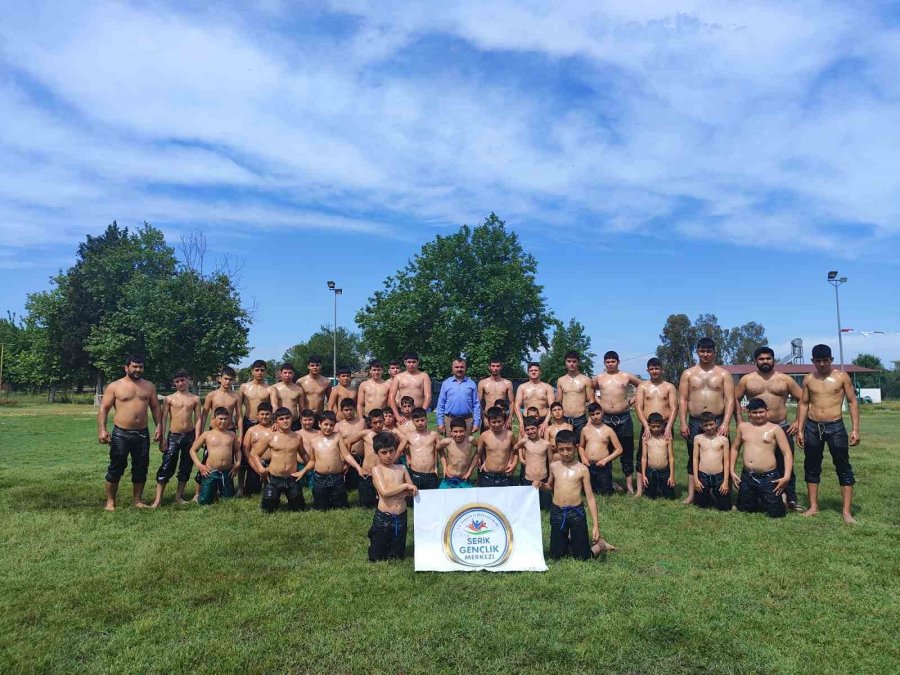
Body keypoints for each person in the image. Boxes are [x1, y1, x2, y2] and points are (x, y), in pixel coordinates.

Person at [796, 344, 860, 523]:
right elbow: (803, 404)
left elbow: (853, 401)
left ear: (831, 360)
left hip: (835, 426)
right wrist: (800, 429)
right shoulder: (809, 379)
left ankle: (846, 512)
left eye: (825, 360)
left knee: (843, 467)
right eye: (818, 361)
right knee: (811, 466)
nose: (822, 364)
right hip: (813, 426)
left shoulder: (841, 377)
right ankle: (813, 507)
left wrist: (855, 429)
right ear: (812, 361)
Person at [734, 347, 804, 511]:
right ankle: (754, 494)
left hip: (781, 426)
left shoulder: (785, 379)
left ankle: (790, 499)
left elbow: (803, 399)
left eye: (768, 358)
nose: (765, 361)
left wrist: (797, 422)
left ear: (774, 359)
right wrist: (739, 420)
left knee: (785, 463)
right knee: (755, 461)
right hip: (755, 428)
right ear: (755, 361)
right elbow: (734, 399)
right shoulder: (747, 380)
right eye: (761, 359)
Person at [534, 429, 614, 560]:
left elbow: (590, 498)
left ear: (576, 448)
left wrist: (596, 525)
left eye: (569, 449)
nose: (565, 453)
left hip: (577, 513)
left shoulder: (582, 469)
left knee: (583, 557)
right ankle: (568, 539)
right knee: (557, 556)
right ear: (557, 448)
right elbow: (549, 487)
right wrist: (541, 485)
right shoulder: (554, 466)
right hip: (557, 512)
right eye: (561, 449)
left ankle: (600, 545)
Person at [97, 354, 162, 510]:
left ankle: (137, 500)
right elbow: (104, 408)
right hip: (121, 434)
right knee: (116, 467)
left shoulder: (149, 386)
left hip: (142, 434)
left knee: (141, 467)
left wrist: (159, 426)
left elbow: (154, 407)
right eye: (134, 366)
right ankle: (110, 502)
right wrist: (102, 429)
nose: (138, 369)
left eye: (140, 367)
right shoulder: (115, 386)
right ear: (126, 368)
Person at [679, 338, 735, 504]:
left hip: (717, 420)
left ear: (714, 352)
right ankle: (692, 494)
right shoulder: (688, 374)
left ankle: (725, 496)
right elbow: (682, 399)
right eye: (702, 351)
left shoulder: (723, 374)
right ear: (697, 352)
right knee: (694, 457)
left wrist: (725, 423)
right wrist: (682, 422)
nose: (705, 354)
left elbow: (730, 399)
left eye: (709, 351)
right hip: (695, 420)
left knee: (722, 456)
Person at [730, 398, 792, 518]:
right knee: (745, 509)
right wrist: (732, 471)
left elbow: (787, 453)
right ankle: (753, 497)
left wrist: (787, 476)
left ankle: (782, 498)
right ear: (749, 413)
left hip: (769, 477)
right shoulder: (743, 427)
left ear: (767, 411)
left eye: (761, 412)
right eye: (754, 412)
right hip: (748, 476)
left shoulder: (775, 429)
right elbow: (735, 449)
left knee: (776, 513)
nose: (758, 415)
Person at [593, 351, 642, 494]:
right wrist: (598, 402)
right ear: (604, 363)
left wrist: (631, 401)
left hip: (624, 418)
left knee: (626, 452)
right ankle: (608, 482)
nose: (610, 364)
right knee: (605, 451)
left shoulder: (625, 376)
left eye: (613, 361)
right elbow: (590, 389)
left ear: (618, 362)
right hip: (606, 418)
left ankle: (629, 487)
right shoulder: (600, 378)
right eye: (607, 362)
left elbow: (642, 385)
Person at [151, 369, 200, 507]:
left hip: (189, 436)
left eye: (182, 380)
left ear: (187, 380)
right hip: (173, 436)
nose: (180, 383)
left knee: (186, 466)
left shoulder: (195, 399)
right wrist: (163, 437)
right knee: (166, 466)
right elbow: (164, 417)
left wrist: (197, 438)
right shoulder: (169, 399)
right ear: (174, 383)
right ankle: (158, 500)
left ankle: (179, 497)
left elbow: (198, 419)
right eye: (177, 381)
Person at [369, 432, 417, 562]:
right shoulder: (377, 470)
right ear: (377, 453)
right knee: (376, 556)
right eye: (384, 453)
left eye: (391, 451)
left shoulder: (401, 468)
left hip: (401, 515)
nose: (388, 455)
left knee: (397, 555)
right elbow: (385, 492)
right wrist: (404, 486)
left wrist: (409, 489)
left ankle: (395, 552)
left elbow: (412, 490)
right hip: (384, 516)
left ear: (396, 450)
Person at [634, 357, 677, 497]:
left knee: (664, 454)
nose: (654, 371)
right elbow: (638, 407)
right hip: (648, 425)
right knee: (643, 455)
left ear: (662, 369)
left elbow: (674, 408)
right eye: (651, 369)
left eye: (657, 368)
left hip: (664, 425)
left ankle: (666, 482)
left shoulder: (669, 387)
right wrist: (645, 426)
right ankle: (641, 490)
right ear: (648, 370)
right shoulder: (643, 386)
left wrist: (669, 426)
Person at [252, 407, 308, 513]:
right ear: (276, 421)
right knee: (268, 508)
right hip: (274, 478)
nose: (285, 421)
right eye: (281, 419)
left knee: (298, 508)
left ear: (292, 418)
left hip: (292, 477)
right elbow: (255, 454)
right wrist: (261, 468)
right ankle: (273, 498)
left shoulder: (297, 437)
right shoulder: (271, 437)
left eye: (287, 418)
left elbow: (303, 453)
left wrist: (309, 466)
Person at [307, 411, 362, 510]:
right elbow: (312, 461)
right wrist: (302, 472)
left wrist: (359, 468)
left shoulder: (337, 437)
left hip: (337, 477)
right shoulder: (313, 441)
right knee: (320, 507)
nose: (328, 427)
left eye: (331, 425)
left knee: (341, 506)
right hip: (320, 478)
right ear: (319, 424)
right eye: (326, 424)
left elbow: (346, 455)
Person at [188, 407, 240, 505]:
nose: (223, 421)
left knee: (228, 500)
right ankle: (208, 492)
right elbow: (192, 450)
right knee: (204, 501)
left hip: (227, 472)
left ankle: (221, 491)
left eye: (225, 419)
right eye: (220, 418)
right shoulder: (207, 434)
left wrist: (238, 463)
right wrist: (199, 465)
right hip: (211, 472)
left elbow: (237, 451)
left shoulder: (232, 434)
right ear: (214, 419)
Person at [239, 360, 273, 495]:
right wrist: (239, 426)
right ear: (252, 371)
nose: (259, 373)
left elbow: (274, 406)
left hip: (265, 423)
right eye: (257, 370)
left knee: (266, 453)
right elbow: (238, 407)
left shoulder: (270, 389)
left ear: (265, 372)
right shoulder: (244, 387)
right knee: (244, 455)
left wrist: (274, 421)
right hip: (248, 422)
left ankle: (267, 482)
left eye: (262, 370)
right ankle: (241, 487)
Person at [344, 409, 388, 507]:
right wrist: (348, 458)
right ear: (370, 423)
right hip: (367, 472)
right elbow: (348, 442)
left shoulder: (388, 434)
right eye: (375, 422)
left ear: (384, 420)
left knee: (384, 501)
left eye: (380, 421)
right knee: (366, 504)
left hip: (383, 472)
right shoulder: (365, 433)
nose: (378, 425)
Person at [579, 403, 623, 496]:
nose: (595, 417)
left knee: (605, 493)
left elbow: (619, 449)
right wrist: (583, 457)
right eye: (592, 414)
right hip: (588, 465)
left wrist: (605, 460)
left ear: (602, 413)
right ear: (589, 415)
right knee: (588, 491)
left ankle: (612, 485)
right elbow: (581, 446)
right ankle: (610, 483)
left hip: (602, 466)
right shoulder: (585, 430)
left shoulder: (608, 430)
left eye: (597, 413)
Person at [692, 412, 731, 511]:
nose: (709, 427)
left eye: (711, 424)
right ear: (701, 425)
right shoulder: (698, 439)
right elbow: (695, 459)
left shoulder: (723, 440)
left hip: (718, 475)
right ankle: (707, 497)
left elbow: (726, 461)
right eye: (705, 425)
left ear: (716, 423)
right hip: (703, 475)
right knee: (701, 505)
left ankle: (717, 497)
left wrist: (725, 481)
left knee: (724, 507)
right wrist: (696, 479)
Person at [397, 407, 441, 492]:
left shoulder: (434, 435)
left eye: (422, 420)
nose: (420, 423)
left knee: (432, 499)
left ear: (426, 420)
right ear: (413, 421)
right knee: (414, 500)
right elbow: (399, 450)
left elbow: (439, 452)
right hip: (415, 473)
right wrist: (407, 457)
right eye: (417, 421)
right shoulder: (409, 436)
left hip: (431, 473)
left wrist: (437, 467)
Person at [435, 357, 480, 436]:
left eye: (462, 367)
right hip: (449, 419)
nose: (459, 369)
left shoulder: (471, 383)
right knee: (450, 445)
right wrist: (440, 422)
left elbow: (476, 404)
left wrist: (476, 422)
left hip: (467, 420)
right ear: (452, 368)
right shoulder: (446, 383)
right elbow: (440, 404)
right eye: (457, 367)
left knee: (466, 445)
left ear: (465, 368)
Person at [555, 350, 593, 442]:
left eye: (574, 361)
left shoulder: (586, 380)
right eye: (569, 361)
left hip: (580, 419)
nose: (571, 364)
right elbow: (558, 402)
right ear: (565, 363)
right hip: (565, 419)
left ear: (578, 363)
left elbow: (592, 401)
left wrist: (590, 420)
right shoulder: (561, 380)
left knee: (581, 446)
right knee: (565, 447)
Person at [515, 416, 551, 509]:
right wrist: (519, 458)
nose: (530, 431)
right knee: (528, 508)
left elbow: (551, 462)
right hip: (528, 479)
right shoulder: (524, 442)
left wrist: (551, 478)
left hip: (543, 479)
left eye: (532, 428)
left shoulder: (546, 444)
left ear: (538, 428)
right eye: (528, 430)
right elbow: (513, 448)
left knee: (546, 508)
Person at [476, 406, 518, 487]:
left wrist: (514, 463)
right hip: (488, 476)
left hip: (505, 475)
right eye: (494, 422)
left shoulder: (510, 435)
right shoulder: (484, 436)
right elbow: (479, 452)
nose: (497, 424)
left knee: (506, 499)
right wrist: (483, 460)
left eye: (499, 421)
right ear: (488, 422)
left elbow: (515, 449)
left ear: (504, 420)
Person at [241, 401, 275, 497]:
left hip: (273, 464)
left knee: (273, 491)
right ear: (257, 415)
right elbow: (246, 449)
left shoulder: (276, 429)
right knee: (251, 493)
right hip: (256, 463)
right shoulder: (251, 430)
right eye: (262, 414)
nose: (264, 417)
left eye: (267, 414)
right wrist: (255, 467)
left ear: (272, 415)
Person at [389, 352, 432, 423]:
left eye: (414, 362)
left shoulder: (424, 376)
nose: (411, 364)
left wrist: (422, 413)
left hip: (418, 413)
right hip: (402, 414)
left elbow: (428, 397)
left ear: (418, 362)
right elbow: (391, 397)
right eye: (409, 362)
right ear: (405, 362)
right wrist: (397, 416)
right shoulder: (398, 377)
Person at [641, 413, 675, 500]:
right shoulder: (646, 439)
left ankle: (663, 488)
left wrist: (671, 476)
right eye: (653, 426)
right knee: (650, 496)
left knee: (669, 497)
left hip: (664, 471)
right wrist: (644, 475)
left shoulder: (667, 438)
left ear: (663, 425)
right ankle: (653, 490)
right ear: (649, 426)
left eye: (658, 426)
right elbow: (644, 458)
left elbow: (671, 457)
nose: (656, 429)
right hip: (650, 471)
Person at [514, 362, 555, 434]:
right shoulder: (522, 387)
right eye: (531, 370)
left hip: (542, 420)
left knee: (545, 444)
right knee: (525, 443)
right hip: (527, 420)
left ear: (540, 372)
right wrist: (521, 422)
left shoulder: (547, 387)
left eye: (536, 370)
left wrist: (546, 422)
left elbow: (552, 406)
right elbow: (517, 405)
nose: (533, 372)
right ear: (528, 373)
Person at [437, 417, 478, 488]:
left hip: (464, 479)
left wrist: (470, 470)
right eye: (455, 431)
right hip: (449, 478)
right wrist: (444, 467)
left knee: (469, 498)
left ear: (465, 431)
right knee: (442, 497)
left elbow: (479, 450)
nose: (458, 434)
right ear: (451, 432)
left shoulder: (470, 441)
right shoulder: (447, 442)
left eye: (461, 431)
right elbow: (438, 448)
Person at [335, 398, 366, 490]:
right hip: (347, 458)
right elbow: (336, 444)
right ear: (341, 411)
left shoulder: (362, 422)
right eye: (346, 410)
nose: (349, 412)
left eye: (351, 409)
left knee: (361, 482)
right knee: (349, 486)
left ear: (355, 409)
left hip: (361, 457)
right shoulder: (338, 426)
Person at [478, 357, 514, 429]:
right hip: (488, 416)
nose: (495, 368)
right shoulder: (482, 383)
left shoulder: (507, 383)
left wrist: (509, 417)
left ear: (501, 367)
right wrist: (483, 418)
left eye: (497, 366)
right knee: (486, 438)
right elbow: (479, 402)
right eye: (493, 366)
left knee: (505, 439)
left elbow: (512, 402)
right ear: (489, 367)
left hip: (502, 417)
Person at [202, 367, 241, 433]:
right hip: (214, 429)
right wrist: (201, 431)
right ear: (220, 379)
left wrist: (241, 434)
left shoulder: (236, 397)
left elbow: (239, 416)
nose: (228, 382)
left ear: (233, 380)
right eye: (225, 379)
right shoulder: (211, 395)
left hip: (229, 429)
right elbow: (204, 415)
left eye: (230, 379)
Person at [271, 362, 306, 429]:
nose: (287, 375)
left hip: (294, 422)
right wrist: (275, 421)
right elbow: (274, 405)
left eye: (290, 373)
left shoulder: (299, 389)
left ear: (293, 374)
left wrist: (303, 421)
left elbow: (302, 407)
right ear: (280, 374)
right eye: (285, 373)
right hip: (279, 422)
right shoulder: (274, 388)